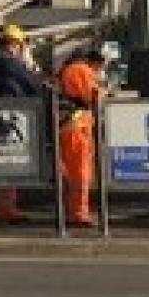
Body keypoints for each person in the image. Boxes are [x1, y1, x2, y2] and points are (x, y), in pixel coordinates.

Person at [0, 24, 44, 224]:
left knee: (7, 161)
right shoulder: (9, 62)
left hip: (0, 113)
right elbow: (32, 84)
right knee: (10, 160)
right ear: (16, 44)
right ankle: (6, 209)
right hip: (10, 114)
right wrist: (31, 67)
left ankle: (6, 207)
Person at [56, 48, 107, 229]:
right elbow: (91, 95)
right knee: (80, 171)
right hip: (77, 126)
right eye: (100, 69)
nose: (98, 73)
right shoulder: (81, 70)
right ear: (94, 62)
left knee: (71, 172)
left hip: (70, 125)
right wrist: (104, 93)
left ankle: (73, 211)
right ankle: (78, 213)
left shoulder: (69, 69)